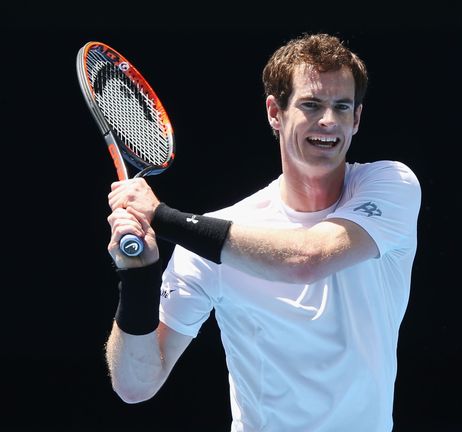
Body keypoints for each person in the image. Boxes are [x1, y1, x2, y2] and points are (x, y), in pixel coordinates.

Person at [104, 33, 421, 432]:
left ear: (356, 119)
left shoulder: (391, 185)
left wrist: (163, 218)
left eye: (342, 107)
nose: (328, 120)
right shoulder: (209, 242)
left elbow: (307, 259)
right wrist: (138, 277)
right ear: (275, 112)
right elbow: (136, 386)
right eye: (311, 104)